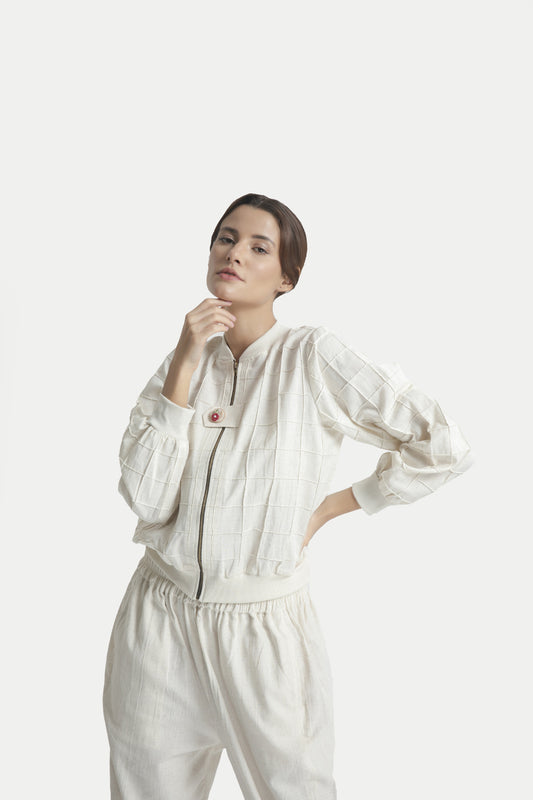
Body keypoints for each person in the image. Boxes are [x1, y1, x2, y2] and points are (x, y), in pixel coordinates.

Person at [102, 193, 475, 800]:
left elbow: (443, 445)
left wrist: (336, 505)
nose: (234, 254)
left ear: (287, 278)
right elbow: (146, 501)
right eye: (226, 238)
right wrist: (186, 363)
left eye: (259, 247)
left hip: (263, 631)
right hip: (158, 621)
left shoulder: (311, 357)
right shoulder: (180, 364)